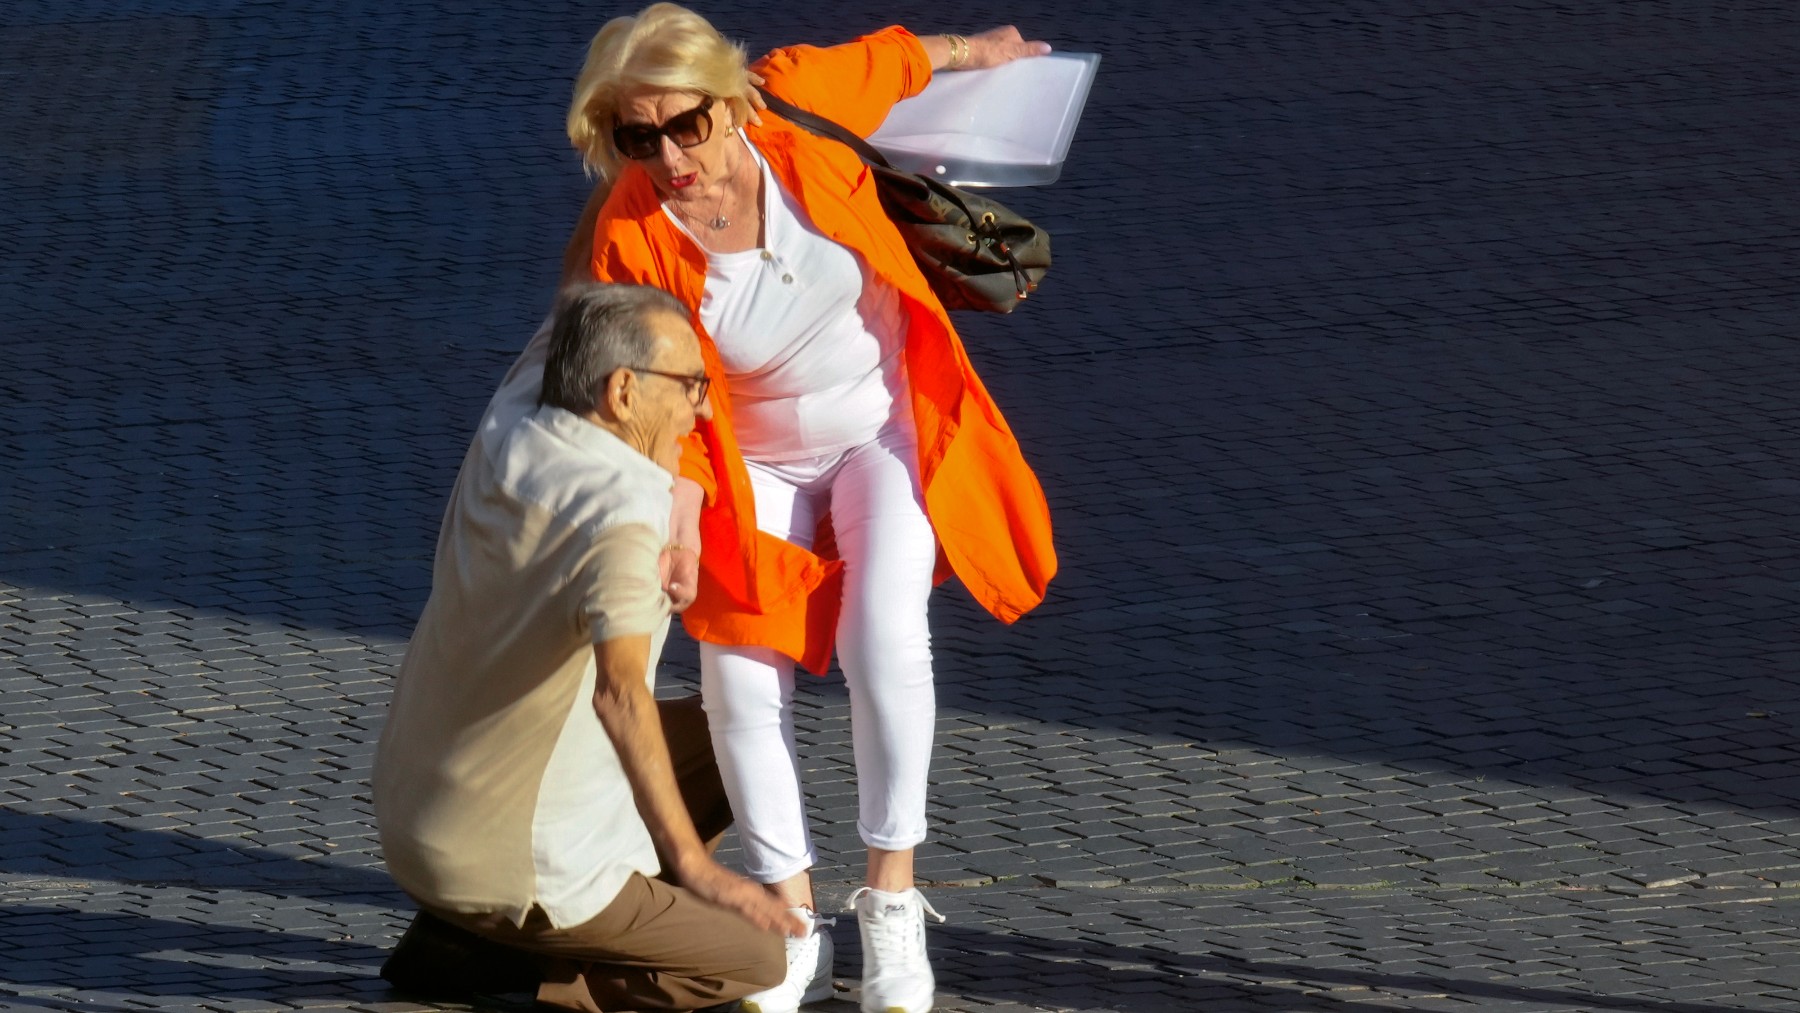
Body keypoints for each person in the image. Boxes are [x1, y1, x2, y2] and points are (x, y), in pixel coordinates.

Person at [560, 7, 1058, 1013]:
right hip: (749, 463)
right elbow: (661, 402)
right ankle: (787, 922)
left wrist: (981, 55)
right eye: (636, 137)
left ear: (732, 101)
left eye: (687, 126)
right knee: (737, 678)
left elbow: (898, 62)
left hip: (886, 425)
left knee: (886, 634)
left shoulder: (794, 100)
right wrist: (683, 511)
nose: (669, 157)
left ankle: (891, 904)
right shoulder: (627, 235)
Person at [372, 282, 808, 1013]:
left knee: (735, 737)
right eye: (692, 385)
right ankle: (527, 968)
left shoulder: (515, 414)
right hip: (515, 862)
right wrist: (694, 865)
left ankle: (457, 937)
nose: (703, 409)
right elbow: (621, 694)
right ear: (624, 391)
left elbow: (577, 289)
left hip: (413, 809)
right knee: (754, 959)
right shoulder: (622, 520)